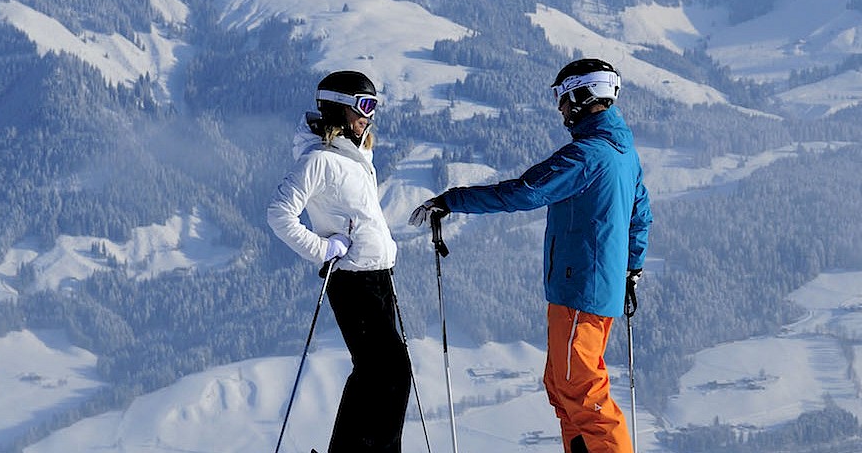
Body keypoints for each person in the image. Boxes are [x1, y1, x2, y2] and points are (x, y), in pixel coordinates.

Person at [410, 58, 652, 453]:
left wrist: (453, 201)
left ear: (583, 95)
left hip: (581, 292)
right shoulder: (624, 153)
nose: (559, 108)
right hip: (586, 291)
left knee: (582, 393)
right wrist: (631, 271)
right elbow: (640, 216)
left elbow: (525, 192)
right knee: (561, 385)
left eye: (562, 97)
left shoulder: (587, 156)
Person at [267, 70, 410, 453]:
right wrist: (322, 249)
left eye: (374, 107)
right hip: (352, 279)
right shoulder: (319, 160)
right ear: (339, 108)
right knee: (390, 373)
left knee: (376, 373)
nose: (370, 116)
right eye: (364, 106)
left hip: (379, 277)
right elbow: (279, 214)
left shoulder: (357, 154)